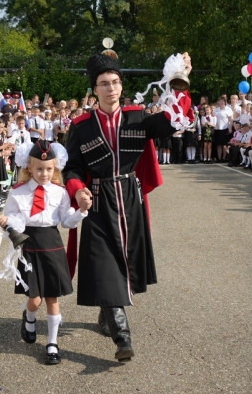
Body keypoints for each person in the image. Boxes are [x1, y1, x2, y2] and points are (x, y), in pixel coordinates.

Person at [63, 52, 193, 362]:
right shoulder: (80, 127)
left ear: (121, 85)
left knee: (122, 263)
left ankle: (107, 310)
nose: (111, 88)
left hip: (130, 199)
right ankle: (123, 339)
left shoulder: (139, 117)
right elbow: (72, 169)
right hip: (97, 201)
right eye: (104, 84)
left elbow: (177, 119)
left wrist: (181, 80)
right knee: (104, 263)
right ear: (94, 89)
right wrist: (78, 190)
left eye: (115, 82)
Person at [0, 140, 91, 364]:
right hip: (29, 246)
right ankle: (29, 317)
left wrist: (82, 211)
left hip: (53, 245)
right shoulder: (18, 192)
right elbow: (14, 219)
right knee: (36, 299)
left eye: (49, 169)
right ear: (29, 168)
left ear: (55, 168)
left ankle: (52, 343)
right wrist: (6, 221)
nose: (44, 174)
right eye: (39, 169)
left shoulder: (59, 192)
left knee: (52, 297)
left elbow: (67, 221)